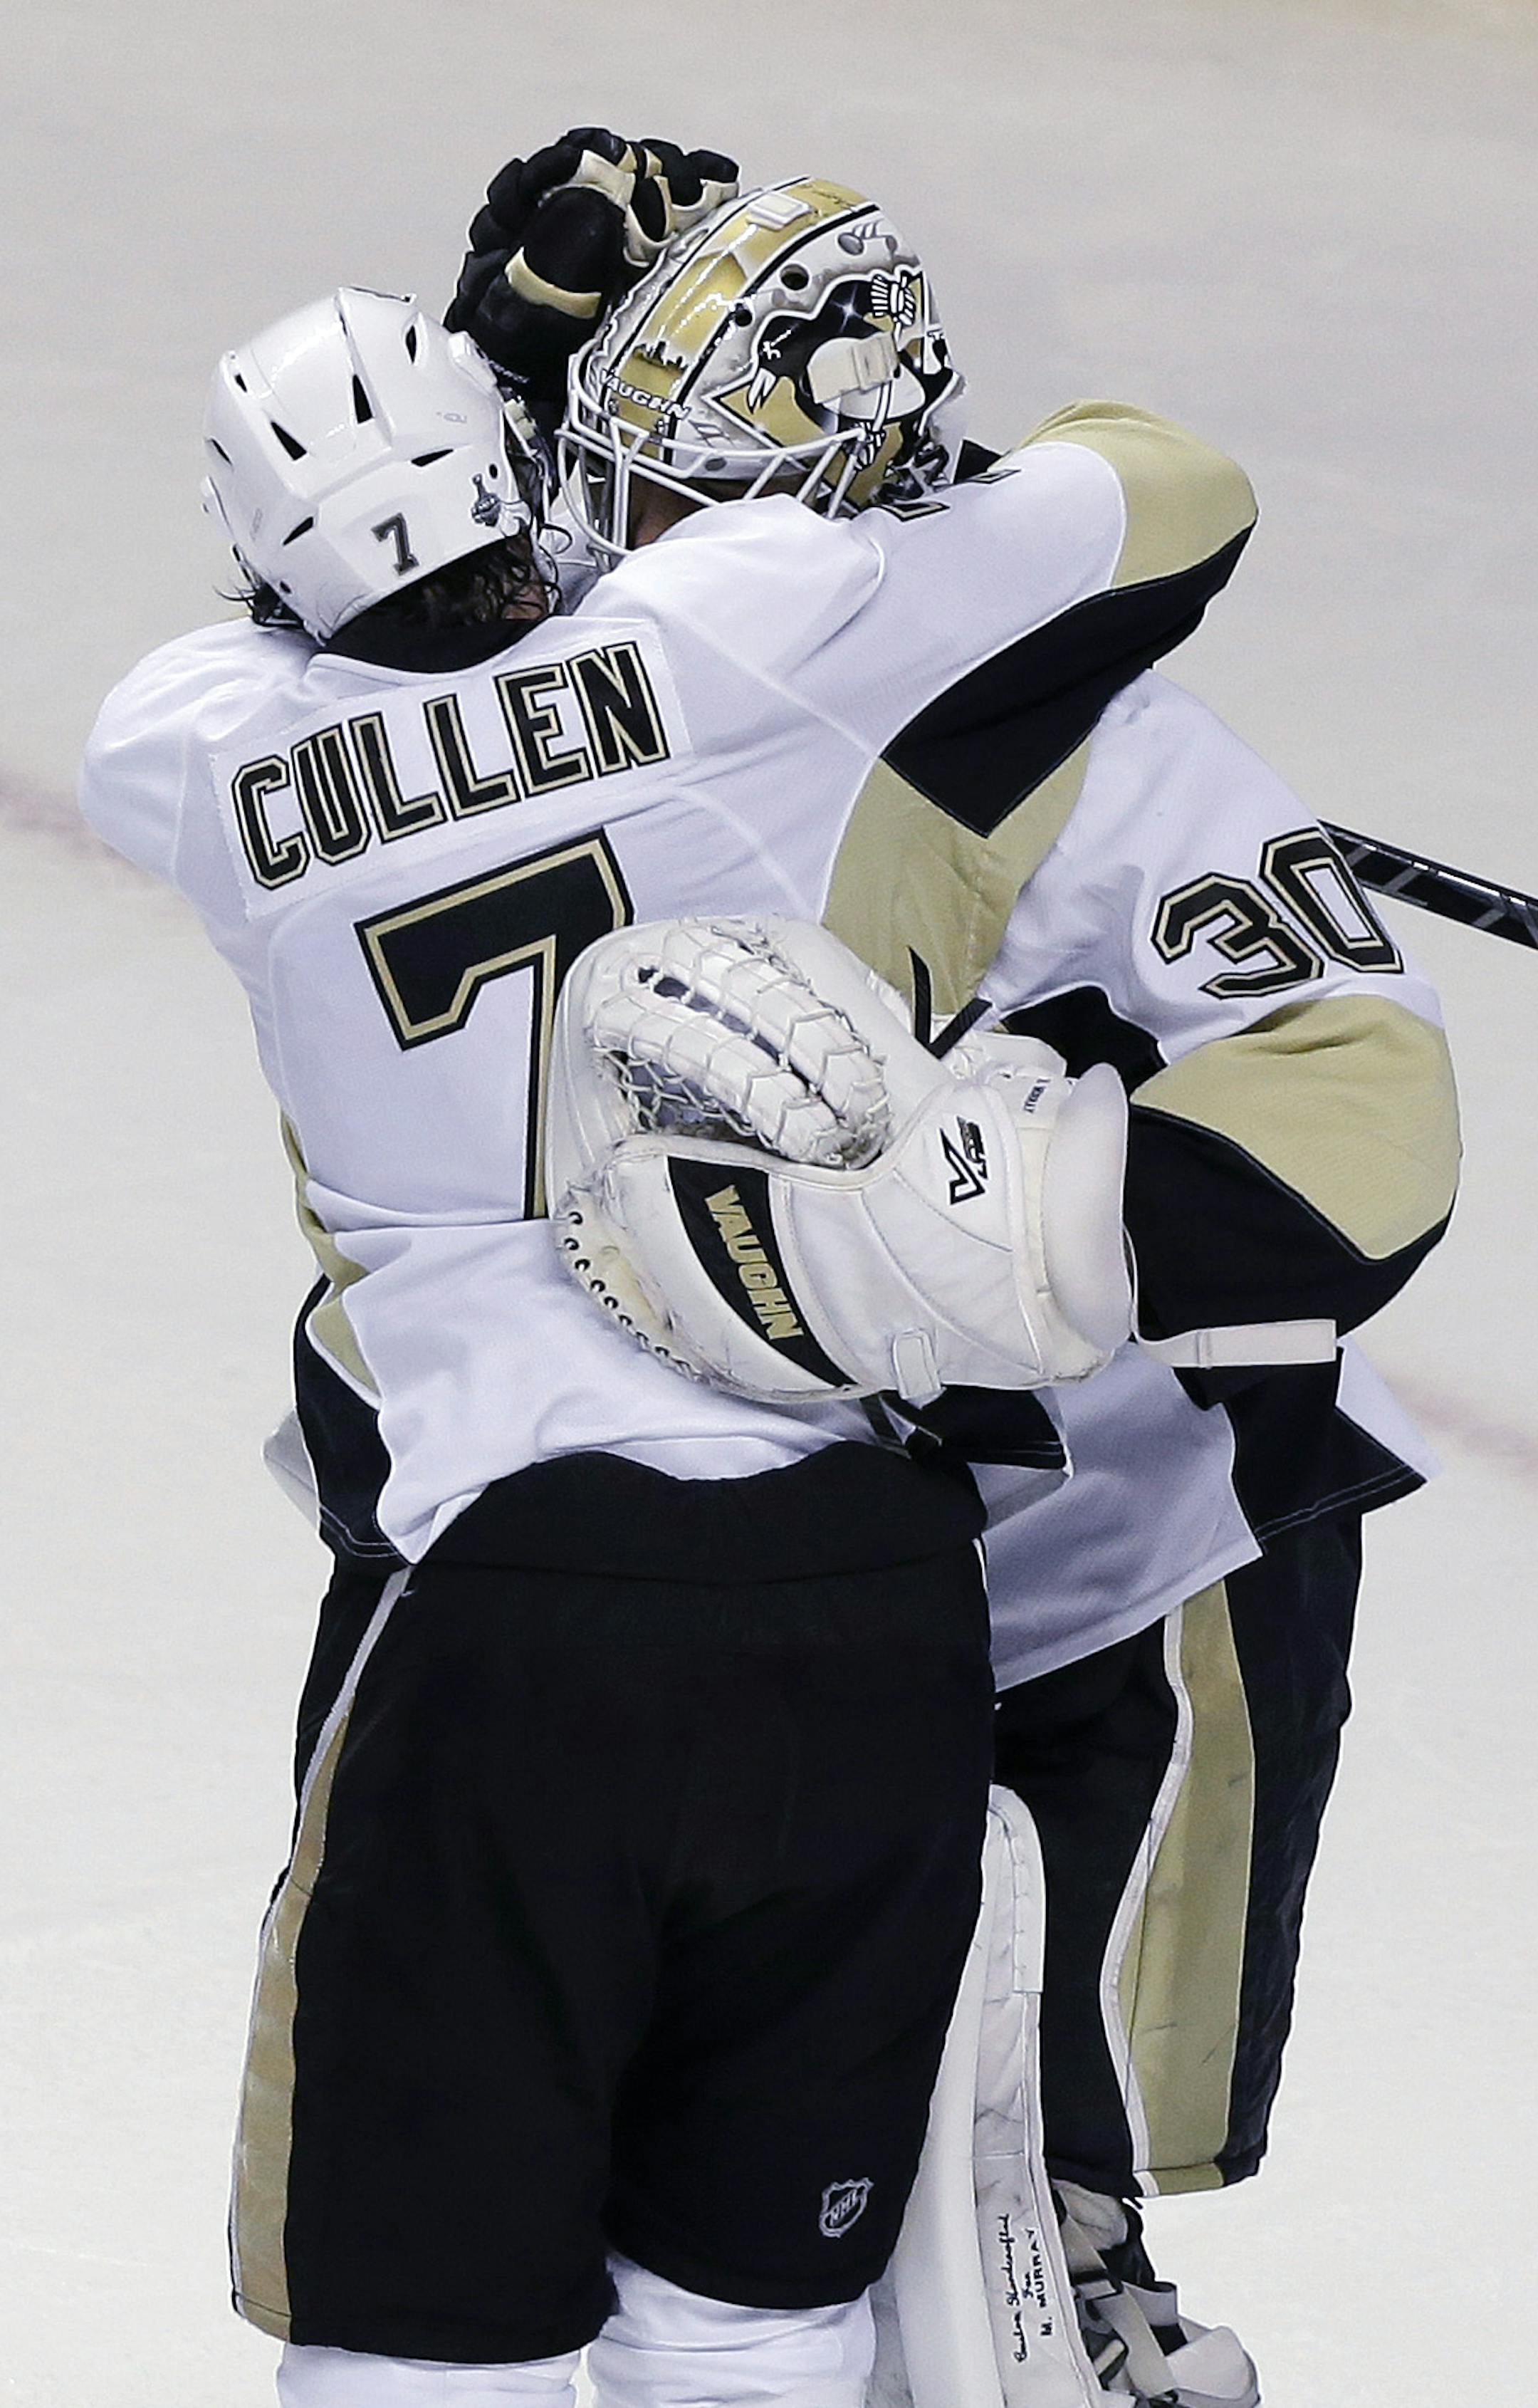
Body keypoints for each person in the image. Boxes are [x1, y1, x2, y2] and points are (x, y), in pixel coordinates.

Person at [78, 207, 1256, 2407]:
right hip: (869, 1609)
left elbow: (320, 657)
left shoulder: (195, 759)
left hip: (520, 1621)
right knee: (757, 2337)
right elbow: (1179, 496)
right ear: (527, 483)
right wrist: (897, 441)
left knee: (426, 2349)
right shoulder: (755, 620)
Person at [441, 133, 1458, 2403]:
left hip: (1057, 1528)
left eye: (669, 504)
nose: (607, 555)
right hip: (711, 1526)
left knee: (1019, 2085)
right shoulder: (598, 716)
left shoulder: (1100, 747)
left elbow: (1370, 1100)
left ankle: (1071, 2239)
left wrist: (971, 1253)